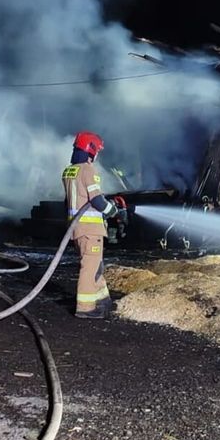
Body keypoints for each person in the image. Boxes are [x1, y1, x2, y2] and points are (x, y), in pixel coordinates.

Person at [62, 131, 124, 319]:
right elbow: (96, 200)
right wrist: (112, 210)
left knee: (96, 265)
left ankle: (103, 299)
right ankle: (86, 308)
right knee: (90, 267)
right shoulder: (88, 170)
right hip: (90, 229)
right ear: (91, 149)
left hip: (77, 229)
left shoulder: (69, 171)